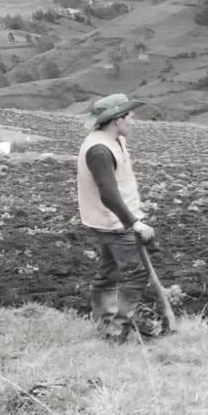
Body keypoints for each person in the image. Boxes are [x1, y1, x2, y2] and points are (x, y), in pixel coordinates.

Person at [77, 93, 154, 342]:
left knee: (108, 272)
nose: (133, 121)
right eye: (130, 117)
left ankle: (104, 322)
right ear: (117, 120)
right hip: (113, 223)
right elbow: (108, 194)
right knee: (137, 274)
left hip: (110, 221)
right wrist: (134, 222)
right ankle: (117, 329)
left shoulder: (112, 141)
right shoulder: (100, 149)